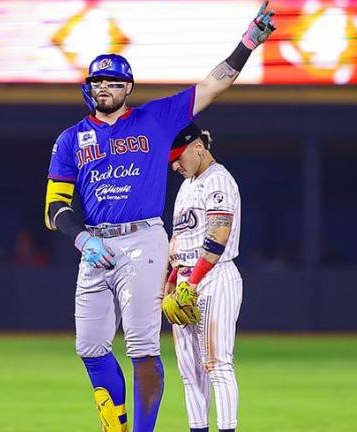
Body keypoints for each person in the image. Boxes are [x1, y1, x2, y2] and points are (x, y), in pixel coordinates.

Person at [43, 2, 276, 430]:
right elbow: (54, 208)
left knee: (142, 346)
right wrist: (82, 240)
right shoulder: (70, 140)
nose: (106, 87)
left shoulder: (155, 118)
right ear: (88, 87)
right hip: (93, 243)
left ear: (128, 88)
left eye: (115, 81)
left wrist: (247, 44)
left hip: (142, 240)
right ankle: (117, 425)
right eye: (99, 80)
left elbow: (211, 86)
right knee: (90, 346)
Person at [162, 124, 243, 432]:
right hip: (187, 278)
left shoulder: (218, 180)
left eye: (178, 157)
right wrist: (173, 277)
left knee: (217, 364)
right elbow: (185, 236)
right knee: (189, 371)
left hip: (214, 277)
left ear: (198, 147)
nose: (174, 165)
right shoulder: (187, 184)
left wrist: (192, 281)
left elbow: (217, 237)